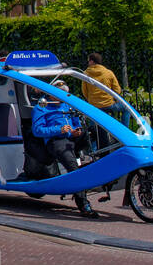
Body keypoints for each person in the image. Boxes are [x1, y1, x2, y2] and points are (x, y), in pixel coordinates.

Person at [16, 81, 100, 218]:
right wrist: (58, 130)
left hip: (71, 138)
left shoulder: (67, 105)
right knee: (73, 169)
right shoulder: (41, 107)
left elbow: (75, 122)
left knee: (95, 131)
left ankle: (100, 161)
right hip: (57, 140)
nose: (61, 98)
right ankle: (83, 203)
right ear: (51, 94)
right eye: (58, 94)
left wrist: (76, 130)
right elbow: (37, 131)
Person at [82, 53, 126, 122]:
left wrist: (92, 100)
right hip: (108, 104)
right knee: (126, 109)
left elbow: (84, 91)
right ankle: (124, 130)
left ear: (92, 61)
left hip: (94, 105)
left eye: (88, 61)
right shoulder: (108, 73)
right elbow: (117, 90)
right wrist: (113, 99)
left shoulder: (86, 74)